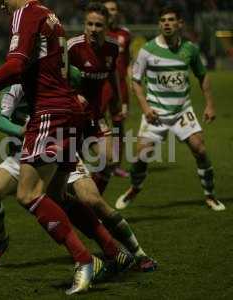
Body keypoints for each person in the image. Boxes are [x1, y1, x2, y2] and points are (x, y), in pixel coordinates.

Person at [0, 0, 104, 295]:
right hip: (55, 118)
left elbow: (14, 64)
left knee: (30, 195)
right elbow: (17, 78)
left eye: (3, 1)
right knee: (38, 195)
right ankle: (111, 253)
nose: (1, 6)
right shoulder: (49, 14)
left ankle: (86, 260)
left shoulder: (25, 13)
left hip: (48, 116)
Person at [0, 84, 156, 273]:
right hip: (23, 155)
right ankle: (1, 241)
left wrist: (95, 138)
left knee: (92, 199)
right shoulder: (17, 85)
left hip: (61, 152)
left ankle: (138, 254)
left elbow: (83, 104)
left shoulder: (64, 80)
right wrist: (22, 131)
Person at [115, 5, 226, 212]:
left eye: (171, 20)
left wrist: (210, 104)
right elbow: (136, 81)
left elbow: (202, 76)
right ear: (159, 24)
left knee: (200, 149)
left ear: (180, 23)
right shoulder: (147, 50)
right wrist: (146, 108)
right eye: (163, 20)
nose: (166, 23)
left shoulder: (190, 49)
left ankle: (210, 195)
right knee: (141, 156)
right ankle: (134, 188)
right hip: (155, 112)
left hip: (182, 111)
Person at [67, 1, 125, 195]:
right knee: (62, 173)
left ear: (107, 26)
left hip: (94, 115)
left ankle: (92, 206)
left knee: (109, 160)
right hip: (69, 117)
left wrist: (117, 100)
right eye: (89, 24)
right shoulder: (73, 48)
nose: (93, 29)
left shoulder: (112, 47)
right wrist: (74, 96)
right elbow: (55, 77)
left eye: (98, 25)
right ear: (84, 24)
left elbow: (111, 73)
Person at [102, 0, 131, 178]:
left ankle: (116, 165)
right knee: (93, 123)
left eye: (113, 9)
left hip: (119, 86)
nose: (110, 12)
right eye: (107, 10)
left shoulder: (125, 34)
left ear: (117, 12)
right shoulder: (98, 31)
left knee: (119, 125)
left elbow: (128, 60)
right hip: (100, 85)